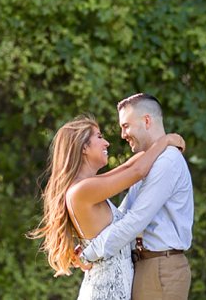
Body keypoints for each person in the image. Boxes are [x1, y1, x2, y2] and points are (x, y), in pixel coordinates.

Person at [28, 114, 185, 299]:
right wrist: (166, 140)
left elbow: (128, 167)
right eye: (99, 137)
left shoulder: (88, 184)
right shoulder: (82, 190)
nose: (107, 143)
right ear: (84, 147)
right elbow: (137, 171)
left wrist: (158, 145)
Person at [81, 93, 194, 300]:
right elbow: (122, 215)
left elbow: (134, 221)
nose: (122, 134)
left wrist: (88, 254)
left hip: (160, 268)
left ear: (147, 121)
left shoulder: (167, 162)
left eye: (126, 126)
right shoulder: (150, 162)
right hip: (147, 266)